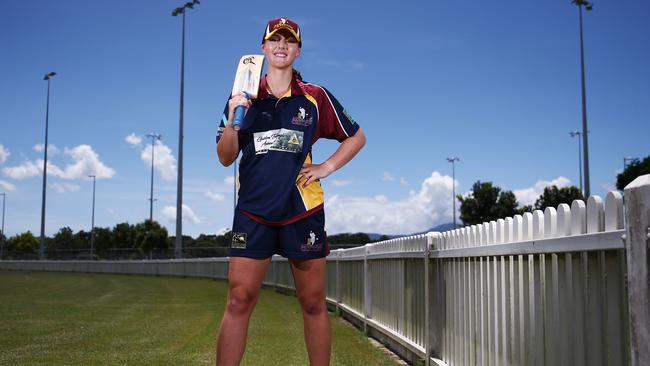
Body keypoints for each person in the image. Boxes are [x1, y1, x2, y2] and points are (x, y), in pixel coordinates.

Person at [215, 17, 365, 366]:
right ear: (264, 48)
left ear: (297, 50)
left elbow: (356, 136)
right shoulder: (242, 97)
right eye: (275, 40)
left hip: (302, 211)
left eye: (289, 41)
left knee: (313, 304)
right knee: (239, 300)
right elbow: (225, 157)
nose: (281, 46)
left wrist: (326, 167)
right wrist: (237, 114)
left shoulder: (315, 97)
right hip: (252, 212)